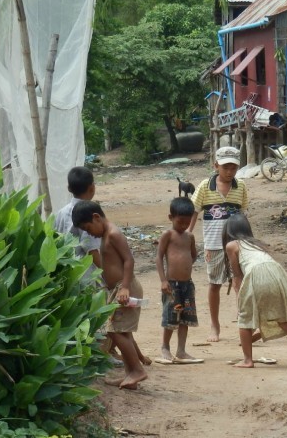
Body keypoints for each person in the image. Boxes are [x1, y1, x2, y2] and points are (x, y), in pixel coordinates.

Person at [223, 214, 287, 368]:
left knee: (245, 320)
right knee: (284, 319)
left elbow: (238, 276)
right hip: (276, 272)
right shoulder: (257, 244)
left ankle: (247, 360)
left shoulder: (232, 246)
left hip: (255, 274)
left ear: (228, 231)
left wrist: (239, 301)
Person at [72, 200, 147, 390]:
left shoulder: (113, 234)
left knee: (114, 331)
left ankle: (137, 371)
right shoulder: (105, 235)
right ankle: (130, 375)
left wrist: (125, 287)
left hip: (124, 288)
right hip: (116, 289)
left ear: (96, 217)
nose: (88, 232)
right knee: (122, 331)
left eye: (87, 228)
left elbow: (129, 260)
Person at [188, 146, 249, 342]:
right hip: (213, 244)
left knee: (240, 281)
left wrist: (247, 240)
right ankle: (215, 324)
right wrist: (188, 233)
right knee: (214, 284)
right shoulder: (205, 186)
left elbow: (243, 214)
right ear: (216, 166)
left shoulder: (241, 187)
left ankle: (244, 322)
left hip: (236, 244)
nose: (230, 172)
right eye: (226, 168)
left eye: (233, 168)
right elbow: (194, 210)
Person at [155, 197, 202, 364]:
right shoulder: (168, 235)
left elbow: (193, 255)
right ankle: (165, 347)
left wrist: (186, 266)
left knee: (185, 317)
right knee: (171, 317)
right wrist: (163, 280)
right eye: (180, 222)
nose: (183, 226)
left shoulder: (189, 237)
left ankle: (181, 350)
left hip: (187, 285)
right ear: (171, 218)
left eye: (187, 222)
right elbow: (159, 257)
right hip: (172, 284)